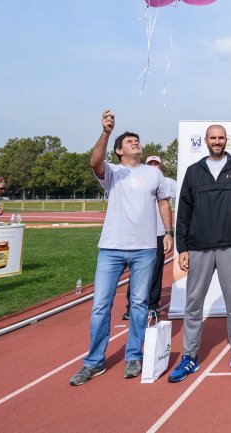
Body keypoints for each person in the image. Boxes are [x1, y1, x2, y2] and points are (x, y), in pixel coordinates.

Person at [69, 110, 173, 386]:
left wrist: (168, 233)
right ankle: (94, 362)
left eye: (137, 140)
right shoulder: (113, 172)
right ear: (119, 150)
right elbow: (94, 161)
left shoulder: (153, 174)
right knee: (101, 306)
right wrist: (106, 131)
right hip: (111, 248)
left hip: (145, 249)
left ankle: (133, 356)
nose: (135, 143)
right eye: (129, 141)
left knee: (139, 305)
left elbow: (164, 203)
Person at [169, 124, 231, 382]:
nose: (217, 142)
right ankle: (190, 356)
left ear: (225, 140)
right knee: (193, 304)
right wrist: (182, 248)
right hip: (199, 247)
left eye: (221, 138)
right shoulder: (193, 171)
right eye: (213, 138)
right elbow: (184, 212)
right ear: (206, 141)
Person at [123, 155, 176, 320]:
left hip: (159, 232)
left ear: (161, 166)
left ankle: (152, 305)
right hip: (139, 233)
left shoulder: (169, 182)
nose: (154, 166)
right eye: (150, 163)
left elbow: (184, 197)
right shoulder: (137, 179)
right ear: (145, 165)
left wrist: (170, 231)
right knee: (136, 271)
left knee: (155, 272)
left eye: (156, 163)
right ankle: (131, 307)